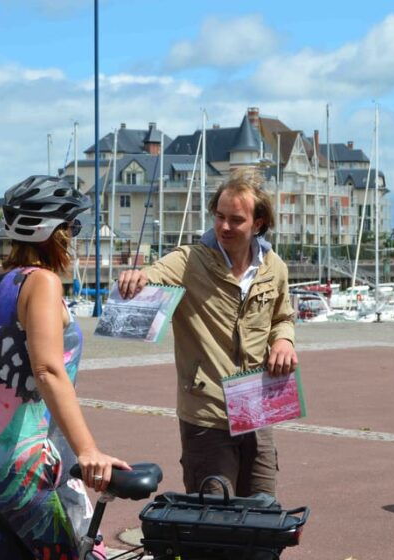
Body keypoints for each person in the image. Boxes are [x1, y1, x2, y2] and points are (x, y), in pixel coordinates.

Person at [0, 175, 128, 558]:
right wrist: (88, 449)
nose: (74, 236)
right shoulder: (42, 283)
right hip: (19, 458)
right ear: (56, 232)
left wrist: (0, 380)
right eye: (72, 227)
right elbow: (48, 370)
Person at [118, 168, 297, 498]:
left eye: (236, 219)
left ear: (258, 223)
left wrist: (284, 340)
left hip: (258, 409)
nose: (225, 226)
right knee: (213, 514)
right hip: (207, 413)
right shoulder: (189, 261)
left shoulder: (275, 268)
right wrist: (136, 276)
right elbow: (152, 275)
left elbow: (282, 317)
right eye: (219, 216)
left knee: (263, 512)